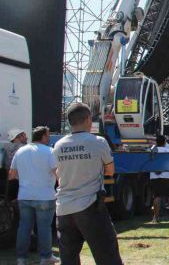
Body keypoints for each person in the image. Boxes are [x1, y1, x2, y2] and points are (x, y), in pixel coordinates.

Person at [53, 102, 122, 265]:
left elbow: (57, 173)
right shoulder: (98, 142)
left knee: (68, 259)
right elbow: (110, 171)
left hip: (63, 208)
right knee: (107, 254)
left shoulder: (58, 145)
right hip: (90, 206)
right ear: (89, 119)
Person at [9, 126, 59, 265]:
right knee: (44, 228)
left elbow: (11, 175)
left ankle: (21, 259)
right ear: (43, 137)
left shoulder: (21, 151)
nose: (49, 138)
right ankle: (45, 257)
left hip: (25, 195)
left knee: (24, 227)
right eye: (48, 135)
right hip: (45, 196)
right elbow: (57, 173)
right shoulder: (49, 151)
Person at [150, 135, 169, 224]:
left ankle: (155, 217)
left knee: (157, 196)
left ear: (156, 142)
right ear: (164, 142)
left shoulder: (152, 151)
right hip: (168, 176)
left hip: (154, 176)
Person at [4, 128, 28, 201]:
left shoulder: (5, 148)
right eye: (24, 135)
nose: (26, 137)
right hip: (23, 182)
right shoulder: (25, 148)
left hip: (10, 180)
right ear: (18, 137)